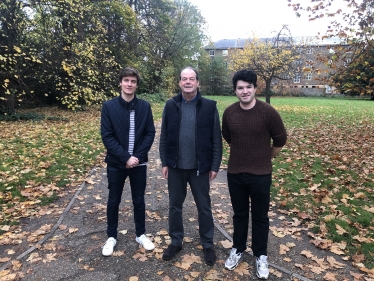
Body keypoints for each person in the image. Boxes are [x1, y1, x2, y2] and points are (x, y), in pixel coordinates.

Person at [222, 69, 287, 279]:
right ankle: (238, 249)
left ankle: (261, 255)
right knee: (239, 215)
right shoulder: (229, 113)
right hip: (235, 173)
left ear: (255, 88)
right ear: (235, 90)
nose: (245, 91)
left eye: (248, 87)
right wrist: (245, 153)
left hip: (261, 175)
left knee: (260, 217)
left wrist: (266, 157)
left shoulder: (268, 112)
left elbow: (280, 140)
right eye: (240, 87)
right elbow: (229, 137)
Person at [159, 66, 222, 265]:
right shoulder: (170, 106)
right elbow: (164, 136)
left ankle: (208, 244)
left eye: (191, 79)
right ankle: (176, 241)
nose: (188, 82)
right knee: (175, 207)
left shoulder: (210, 106)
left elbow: (216, 139)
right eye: (184, 79)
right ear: (179, 82)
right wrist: (164, 162)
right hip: (176, 167)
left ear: (198, 82)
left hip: (200, 168)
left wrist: (214, 165)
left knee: (204, 207)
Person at [100, 67, 156, 256]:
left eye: (133, 81)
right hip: (117, 164)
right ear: (120, 83)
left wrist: (136, 158)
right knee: (113, 200)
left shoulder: (144, 107)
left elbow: (150, 133)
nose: (129, 84)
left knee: (139, 200)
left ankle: (140, 234)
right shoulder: (109, 106)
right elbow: (107, 136)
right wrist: (125, 157)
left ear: (136, 84)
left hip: (138, 164)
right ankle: (111, 237)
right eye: (126, 80)